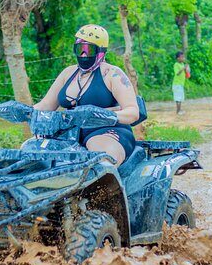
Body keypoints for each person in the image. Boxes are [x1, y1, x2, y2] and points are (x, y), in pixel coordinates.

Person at [33, 24, 139, 166]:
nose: (83, 55)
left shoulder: (113, 74)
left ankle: (105, 177)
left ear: (100, 51)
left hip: (106, 131)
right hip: (68, 133)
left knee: (101, 158)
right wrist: (26, 111)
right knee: (30, 152)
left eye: (88, 50)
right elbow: (46, 105)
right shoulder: (68, 73)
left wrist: (102, 115)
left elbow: (133, 112)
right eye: (79, 49)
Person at [172, 51, 190, 115]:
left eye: (183, 57)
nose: (183, 58)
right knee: (178, 98)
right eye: (182, 57)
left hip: (181, 84)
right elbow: (177, 73)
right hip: (177, 84)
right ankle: (178, 111)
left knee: (180, 98)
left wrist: (187, 69)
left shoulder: (182, 64)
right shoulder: (176, 64)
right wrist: (183, 68)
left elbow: (187, 74)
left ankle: (179, 110)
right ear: (178, 58)